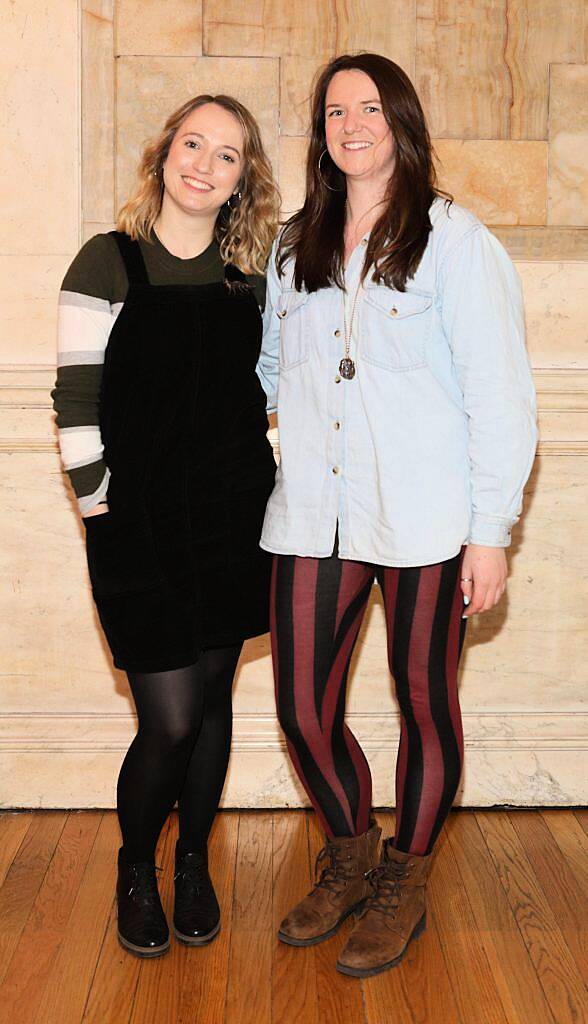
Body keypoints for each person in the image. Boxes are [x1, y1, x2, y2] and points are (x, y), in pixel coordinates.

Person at [256, 53, 537, 978]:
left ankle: (403, 883)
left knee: (426, 706)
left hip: (428, 518)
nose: (350, 123)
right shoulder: (294, 244)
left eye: (368, 106)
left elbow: (501, 395)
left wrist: (489, 531)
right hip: (316, 516)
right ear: (321, 132)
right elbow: (269, 369)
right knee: (301, 706)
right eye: (334, 110)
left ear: (401, 120)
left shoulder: (455, 241)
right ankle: (351, 853)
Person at [52, 94, 279, 957]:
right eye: (194, 144)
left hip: (232, 520)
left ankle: (192, 863)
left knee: (214, 703)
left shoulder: (248, 278)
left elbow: (271, 392)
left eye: (227, 155)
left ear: (240, 181)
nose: (204, 164)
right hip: (136, 525)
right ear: (164, 154)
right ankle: (137, 866)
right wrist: (98, 505)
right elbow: (75, 400)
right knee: (172, 719)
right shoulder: (106, 261)